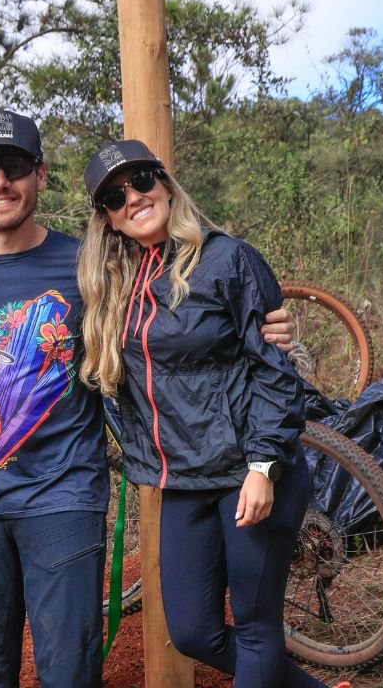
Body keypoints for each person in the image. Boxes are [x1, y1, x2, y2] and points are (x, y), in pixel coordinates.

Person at [0, 110, 296, 688]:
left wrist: (273, 334)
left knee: (70, 672)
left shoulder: (89, 266)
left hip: (65, 499)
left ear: (40, 175)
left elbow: (209, 326)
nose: (0, 181)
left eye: (14, 167)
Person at [78, 140, 325, 687]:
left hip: (249, 472)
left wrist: (263, 467)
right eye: (115, 197)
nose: (133, 198)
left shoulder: (227, 259)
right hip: (184, 480)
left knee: (256, 629)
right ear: (108, 219)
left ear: (166, 184)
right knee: (194, 632)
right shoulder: (114, 283)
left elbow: (275, 372)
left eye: (142, 181)